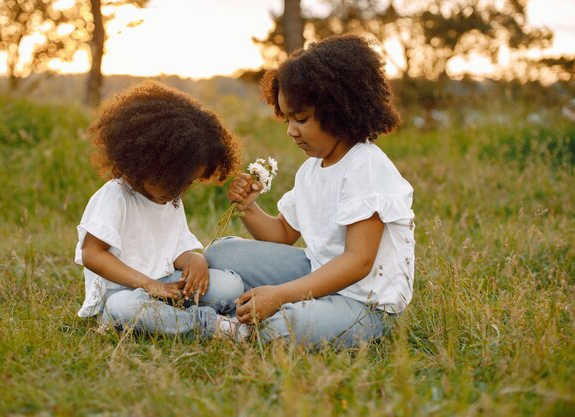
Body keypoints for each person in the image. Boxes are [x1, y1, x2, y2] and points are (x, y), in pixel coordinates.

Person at [204, 34, 415, 348]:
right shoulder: (312, 170)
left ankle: (238, 319)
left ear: (338, 110)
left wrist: (281, 295)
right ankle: (246, 306)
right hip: (317, 272)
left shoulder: (366, 167)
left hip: (363, 304)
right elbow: (283, 234)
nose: (291, 130)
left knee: (280, 326)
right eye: (287, 119)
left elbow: (358, 262)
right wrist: (248, 207)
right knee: (220, 251)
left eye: (301, 119)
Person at [75, 80, 247, 339]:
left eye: (187, 182)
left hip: (166, 287)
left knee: (229, 284)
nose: (178, 189)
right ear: (146, 161)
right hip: (125, 293)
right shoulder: (116, 197)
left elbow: (175, 252)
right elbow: (92, 254)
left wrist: (195, 260)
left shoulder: (171, 198)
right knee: (124, 308)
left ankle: (171, 317)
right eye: (172, 179)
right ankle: (212, 327)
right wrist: (149, 285)